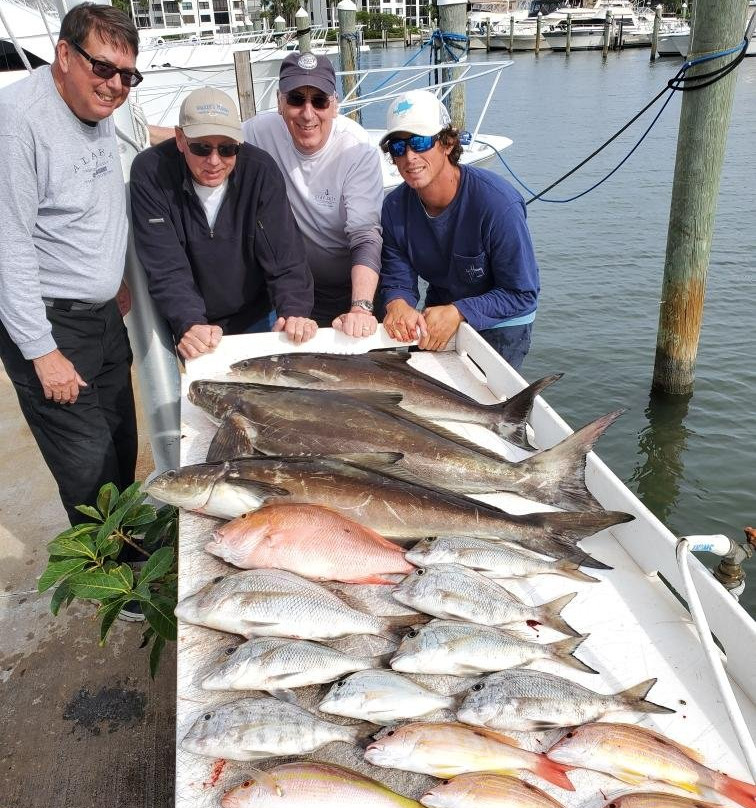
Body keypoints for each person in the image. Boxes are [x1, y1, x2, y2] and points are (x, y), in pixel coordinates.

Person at [0, 3, 140, 525]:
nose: (114, 85)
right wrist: (42, 352)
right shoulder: (18, 125)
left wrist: (115, 275)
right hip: (52, 323)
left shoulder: (94, 107)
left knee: (120, 443)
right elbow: (7, 244)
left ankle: (127, 551)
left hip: (101, 314)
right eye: (102, 67)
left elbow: (96, 199)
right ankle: (111, 583)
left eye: (127, 75)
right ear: (63, 54)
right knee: (87, 464)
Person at [130, 86, 317, 359]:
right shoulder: (150, 173)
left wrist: (295, 312)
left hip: (256, 315)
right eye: (201, 147)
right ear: (180, 139)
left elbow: (285, 256)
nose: (214, 161)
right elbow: (166, 266)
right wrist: (190, 322)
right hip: (192, 322)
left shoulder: (260, 171)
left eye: (228, 149)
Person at [379, 89, 540, 370]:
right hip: (442, 307)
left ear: (448, 143)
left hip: (504, 321)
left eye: (419, 141)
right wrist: (398, 304)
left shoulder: (498, 204)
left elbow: (522, 293)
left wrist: (460, 311)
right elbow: (397, 277)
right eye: (397, 147)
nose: (409, 156)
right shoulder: (394, 207)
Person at [242, 52, 384, 338]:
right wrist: (140, 132)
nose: (308, 114)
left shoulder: (357, 149)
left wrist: (360, 308)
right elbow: (206, 138)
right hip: (297, 291)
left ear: (334, 106)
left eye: (319, 101)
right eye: (296, 99)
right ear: (280, 103)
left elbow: (365, 235)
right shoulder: (258, 132)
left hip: (355, 287)